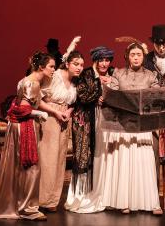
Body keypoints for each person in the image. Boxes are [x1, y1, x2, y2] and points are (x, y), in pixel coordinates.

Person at [0, 52, 56, 221]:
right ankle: (28, 208)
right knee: (31, 168)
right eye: (51, 66)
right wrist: (39, 114)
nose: (54, 70)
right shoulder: (33, 83)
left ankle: (19, 204)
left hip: (18, 126)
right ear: (41, 67)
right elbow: (22, 110)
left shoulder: (27, 80)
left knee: (19, 167)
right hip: (24, 126)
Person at [102, 41, 163, 215]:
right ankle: (125, 201)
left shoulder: (151, 75)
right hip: (124, 124)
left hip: (143, 126)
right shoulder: (118, 73)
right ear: (127, 57)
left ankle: (151, 202)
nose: (136, 58)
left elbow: (156, 96)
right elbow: (111, 94)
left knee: (144, 163)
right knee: (126, 162)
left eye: (139, 55)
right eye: (132, 55)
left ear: (143, 57)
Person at [64, 46, 114, 213]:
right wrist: (99, 85)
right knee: (84, 156)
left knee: (103, 156)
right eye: (101, 60)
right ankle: (81, 195)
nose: (104, 63)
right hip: (85, 120)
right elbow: (83, 96)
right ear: (95, 60)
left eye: (107, 60)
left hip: (105, 120)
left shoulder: (113, 73)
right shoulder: (86, 74)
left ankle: (103, 192)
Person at [38, 37, 83, 212]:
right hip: (50, 118)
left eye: (81, 64)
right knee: (48, 159)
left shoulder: (75, 82)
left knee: (59, 160)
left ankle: (52, 200)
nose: (79, 67)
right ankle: (42, 198)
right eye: (76, 64)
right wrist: (55, 112)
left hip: (65, 119)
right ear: (67, 64)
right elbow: (38, 98)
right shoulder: (54, 76)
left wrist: (69, 111)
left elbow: (72, 102)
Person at [144, 24, 165, 205]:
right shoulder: (146, 60)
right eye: (157, 43)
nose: (160, 46)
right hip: (154, 113)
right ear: (153, 43)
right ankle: (154, 194)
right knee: (154, 154)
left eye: (163, 42)